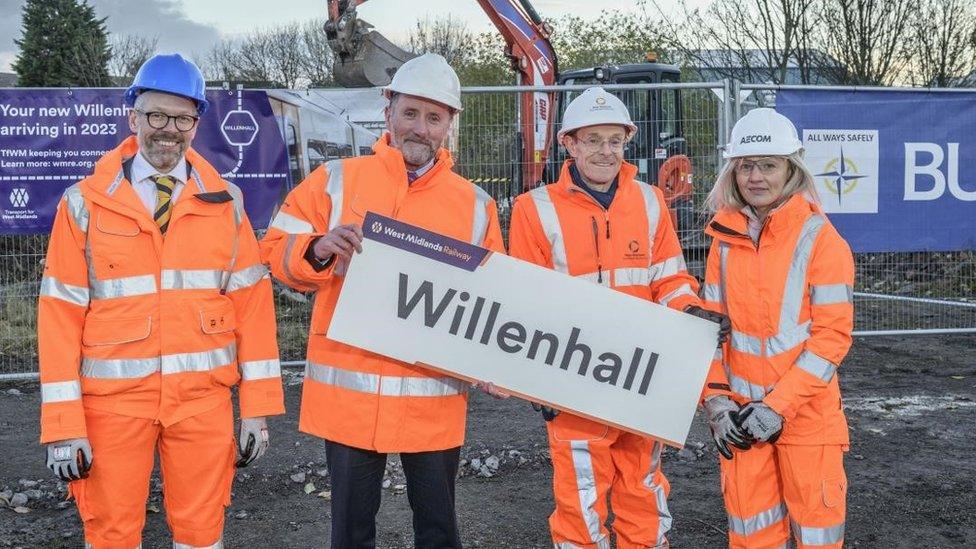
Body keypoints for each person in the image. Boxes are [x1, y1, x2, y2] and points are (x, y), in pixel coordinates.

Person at [37, 53, 285, 549]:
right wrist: (64, 426)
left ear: (196, 123)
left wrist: (257, 409)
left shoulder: (225, 201)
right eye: (156, 115)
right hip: (112, 406)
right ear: (133, 117)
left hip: (202, 403)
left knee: (200, 533)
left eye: (182, 118)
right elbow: (59, 316)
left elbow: (253, 310)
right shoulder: (84, 203)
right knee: (110, 532)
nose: (169, 129)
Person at [259, 53, 505, 549]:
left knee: (439, 531)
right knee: (350, 532)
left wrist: (494, 362)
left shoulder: (476, 205)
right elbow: (273, 252)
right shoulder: (335, 179)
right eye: (411, 113)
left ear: (449, 125)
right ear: (388, 109)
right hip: (351, 398)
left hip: (431, 400)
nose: (420, 128)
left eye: (434, 117)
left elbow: (492, 301)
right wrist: (317, 248)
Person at [507, 86, 729, 549]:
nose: (605, 151)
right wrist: (535, 381)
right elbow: (524, 304)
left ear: (626, 141)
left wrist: (690, 312)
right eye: (593, 140)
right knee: (582, 498)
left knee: (642, 488)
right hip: (574, 376)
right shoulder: (534, 209)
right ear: (569, 143)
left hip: (641, 375)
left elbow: (670, 279)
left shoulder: (649, 202)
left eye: (614, 140)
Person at [699, 107, 854, 548]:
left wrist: (777, 407)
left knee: (817, 537)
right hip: (741, 423)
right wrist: (716, 403)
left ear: (792, 168)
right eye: (746, 165)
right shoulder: (723, 241)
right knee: (752, 538)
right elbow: (707, 333)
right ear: (733, 170)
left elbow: (831, 339)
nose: (756, 176)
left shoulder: (821, 240)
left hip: (807, 422)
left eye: (768, 165)